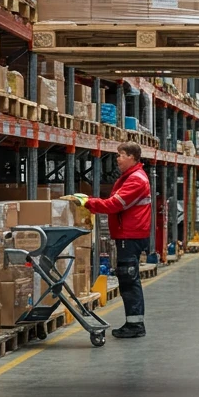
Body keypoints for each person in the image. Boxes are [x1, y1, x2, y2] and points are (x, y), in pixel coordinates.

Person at [61, 142, 152, 339]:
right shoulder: (129, 177)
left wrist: (88, 202)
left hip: (131, 235)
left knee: (128, 279)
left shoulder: (136, 180)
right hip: (129, 234)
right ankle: (134, 323)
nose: (117, 159)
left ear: (133, 157)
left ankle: (135, 325)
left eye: (121, 155)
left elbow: (114, 205)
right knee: (127, 278)